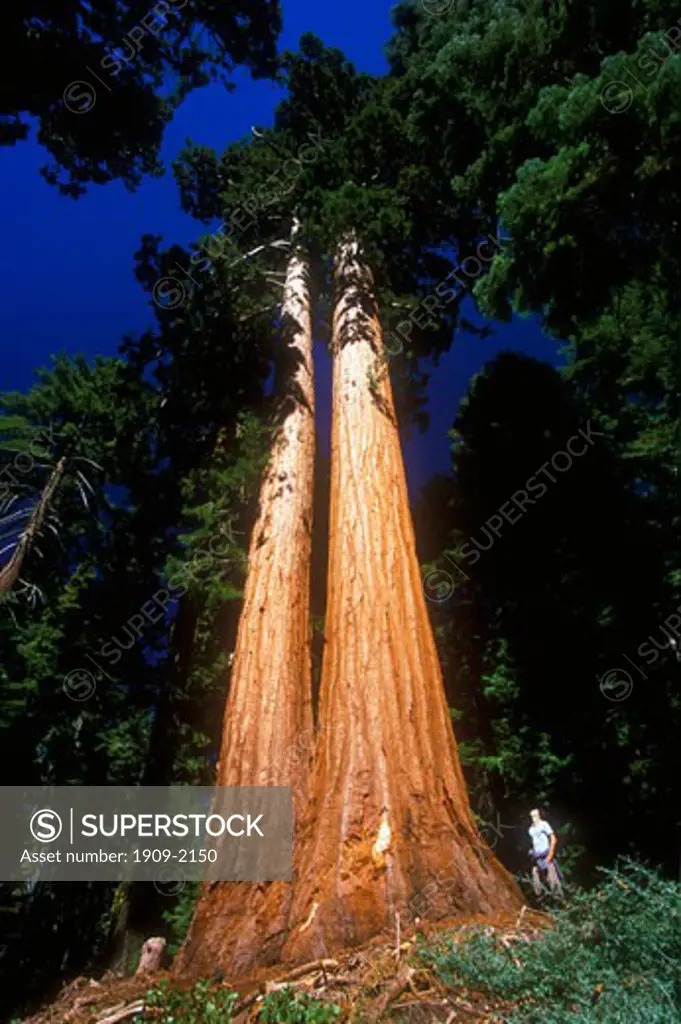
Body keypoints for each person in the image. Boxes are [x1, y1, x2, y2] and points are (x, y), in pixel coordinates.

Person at [528, 807, 563, 897]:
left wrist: (550, 855)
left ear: (539, 816)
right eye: (532, 816)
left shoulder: (544, 825)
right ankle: (540, 900)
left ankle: (559, 901)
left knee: (553, 881)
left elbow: (553, 839)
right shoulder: (531, 829)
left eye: (535, 816)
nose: (533, 818)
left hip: (546, 856)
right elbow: (534, 842)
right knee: (536, 881)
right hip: (537, 858)